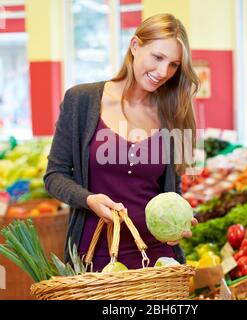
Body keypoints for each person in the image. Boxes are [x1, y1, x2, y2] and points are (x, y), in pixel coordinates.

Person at [44, 13, 199, 271]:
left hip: (158, 257)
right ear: (135, 45)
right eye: (158, 57)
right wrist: (88, 199)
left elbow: (172, 189)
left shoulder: (174, 113)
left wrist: (178, 221)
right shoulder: (81, 101)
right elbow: (54, 176)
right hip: (96, 255)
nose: (163, 72)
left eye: (173, 65)